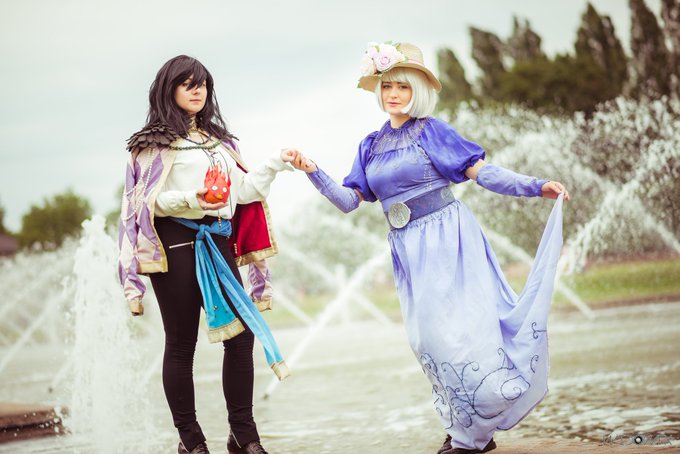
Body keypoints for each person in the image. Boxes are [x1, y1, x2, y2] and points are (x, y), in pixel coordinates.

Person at [290, 42, 570, 454]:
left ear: (417, 90)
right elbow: (350, 201)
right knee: (427, 343)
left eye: (402, 86)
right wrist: (313, 171)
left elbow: (482, 173)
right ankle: (467, 426)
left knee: (459, 337)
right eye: (387, 86)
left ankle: (469, 436)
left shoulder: (432, 131)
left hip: (448, 240)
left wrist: (535, 186)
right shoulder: (370, 145)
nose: (393, 94)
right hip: (407, 249)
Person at [118, 55, 292, 454]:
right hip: (175, 244)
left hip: (217, 241)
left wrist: (276, 164)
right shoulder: (150, 145)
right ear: (169, 90)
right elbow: (146, 203)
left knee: (241, 337)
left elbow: (242, 193)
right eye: (188, 84)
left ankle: (244, 436)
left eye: (203, 84)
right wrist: (192, 199)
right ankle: (191, 441)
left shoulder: (220, 141)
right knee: (181, 344)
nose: (198, 91)